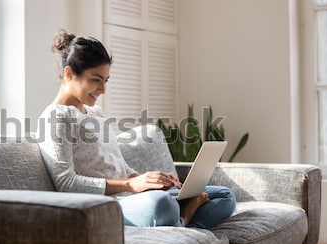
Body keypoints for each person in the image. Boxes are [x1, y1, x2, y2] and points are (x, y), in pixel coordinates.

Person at [37, 28, 236, 228]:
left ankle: (180, 223)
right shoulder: (55, 117)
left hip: (132, 199)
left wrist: (149, 180)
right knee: (163, 204)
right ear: (69, 73)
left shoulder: (95, 113)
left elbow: (121, 168)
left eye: (105, 81)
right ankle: (185, 215)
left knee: (224, 195)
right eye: (96, 80)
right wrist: (130, 185)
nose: (103, 89)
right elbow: (66, 184)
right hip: (105, 205)